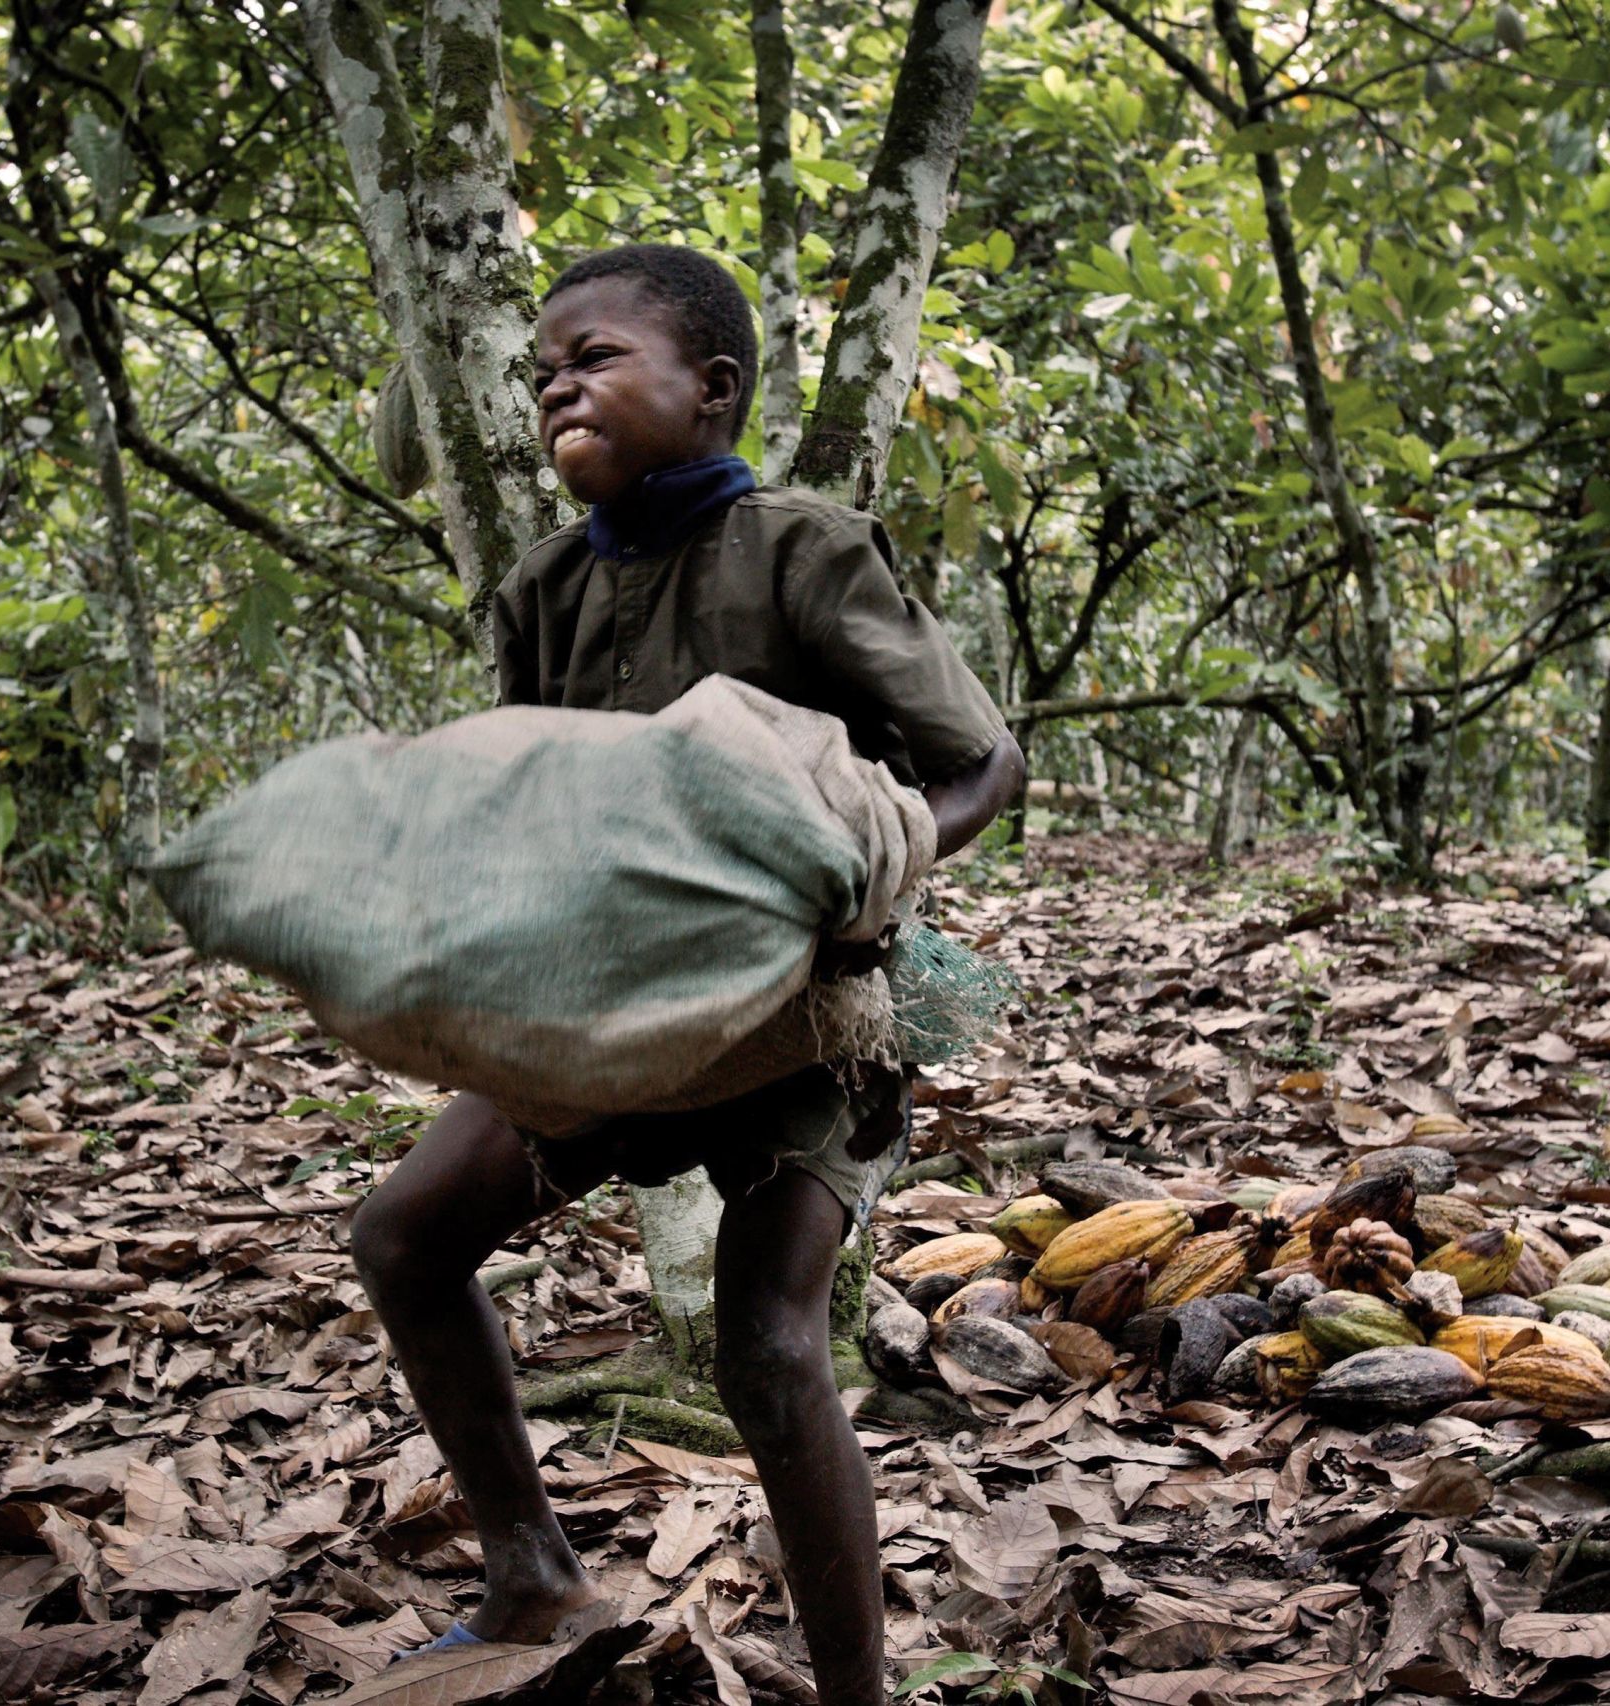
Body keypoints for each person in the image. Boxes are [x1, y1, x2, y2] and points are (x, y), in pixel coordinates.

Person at [347, 244, 1025, 1705]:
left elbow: (987, 761)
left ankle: (857, 1690)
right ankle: (529, 1569)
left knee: (770, 1350)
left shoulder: (801, 549)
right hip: (620, 1012)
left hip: (804, 1023)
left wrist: (874, 877)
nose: (556, 390)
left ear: (712, 390)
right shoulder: (540, 590)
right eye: (541, 374)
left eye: (593, 358)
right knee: (406, 1235)